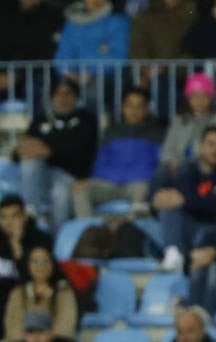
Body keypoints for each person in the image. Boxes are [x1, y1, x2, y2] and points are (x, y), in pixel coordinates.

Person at [154, 124, 216, 271]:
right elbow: (180, 196)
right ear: (201, 146)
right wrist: (160, 200)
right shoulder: (189, 169)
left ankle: (180, 259)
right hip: (190, 225)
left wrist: (187, 200)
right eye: (211, 144)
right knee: (169, 208)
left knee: (202, 232)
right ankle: (173, 254)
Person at [16, 76, 98, 229]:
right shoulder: (41, 120)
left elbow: (82, 153)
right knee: (29, 161)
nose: (63, 98)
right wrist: (21, 149)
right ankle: (32, 210)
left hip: (71, 175)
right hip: (43, 175)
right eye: (58, 94)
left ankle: (59, 242)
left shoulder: (87, 120)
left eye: (68, 93)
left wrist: (49, 151)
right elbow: (22, 151)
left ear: (76, 97)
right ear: (52, 97)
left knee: (59, 193)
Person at [79, 87, 164, 217]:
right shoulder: (110, 132)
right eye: (130, 106)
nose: (134, 111)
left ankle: (131, 232)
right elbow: (100, 163)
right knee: (80, 189)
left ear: (146, 109)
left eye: (139, 106)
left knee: (143, 190)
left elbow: (160, 164)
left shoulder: (157, 133)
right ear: (123, 108)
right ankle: (86, 230)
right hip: (108, 183)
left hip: (139, 183)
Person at [158, 73, 216, 182]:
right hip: (177, 163)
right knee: (160, 173)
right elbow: (167, 148)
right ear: (188, 98)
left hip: (206, 162)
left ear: (211, 98)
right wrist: (172, 161)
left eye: (204, 96)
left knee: (186, 170)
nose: (199, 101)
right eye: (195, 96)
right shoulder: (179, 120)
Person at [3, 246, 78, 342]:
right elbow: (12, 328)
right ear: (28, 265)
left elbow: (65, 327)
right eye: (35, 261)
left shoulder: (64, 293)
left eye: (45, 261)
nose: (40, 266)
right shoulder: (17, 293)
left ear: (52, 264)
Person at [53, 0, 129, 84]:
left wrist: (91, 71)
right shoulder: (72, 23)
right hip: (73, 77)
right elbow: (64, 53)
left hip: (105, 78)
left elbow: (119, 57)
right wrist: (68, 71)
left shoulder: (118, 22)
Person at [0, 194, 52, 310]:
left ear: (24, 217)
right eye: (3, 217)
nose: (9, 222)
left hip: (29, 298)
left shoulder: (40, 240)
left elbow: (37, 279)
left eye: (14, 216)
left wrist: (17, 248)